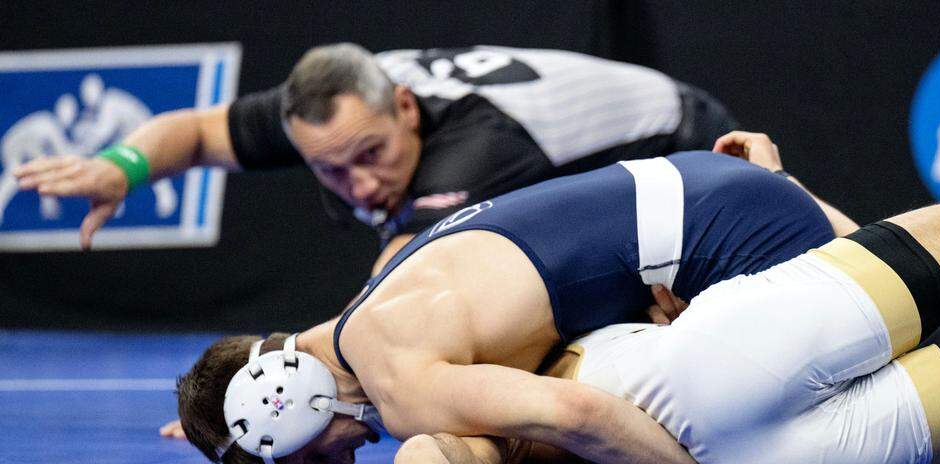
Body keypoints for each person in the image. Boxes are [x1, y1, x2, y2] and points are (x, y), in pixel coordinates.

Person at [178, 133, 940, 464]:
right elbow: (515, 429)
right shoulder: (393, 311)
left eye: (319, 456)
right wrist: (218, 417)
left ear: (288, 398)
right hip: (714, 271)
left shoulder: (403, 384)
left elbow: (551, 425)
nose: (341, 459)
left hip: (728, 254)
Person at [13, 44, 738, 261]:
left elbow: (395, 289)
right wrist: (123, 166)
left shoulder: (473, 144)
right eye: (328, 168)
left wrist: (271, 383)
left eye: (369, 154)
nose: (358, 183)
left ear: (403, 106)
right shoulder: (331, 109)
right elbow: (198, 130)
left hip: (682, 142)